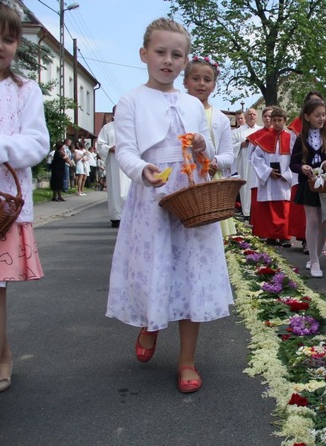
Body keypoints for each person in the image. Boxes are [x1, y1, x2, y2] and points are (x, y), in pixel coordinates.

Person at [105, 17, 233, 394]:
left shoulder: (193, 103)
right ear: (144, 54)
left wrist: (201, 147)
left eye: (177, 54)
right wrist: (143, 170)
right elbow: (126, 151)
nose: (168, 60)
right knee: (158, 266)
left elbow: (206, 152)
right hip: (154, 195)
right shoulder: (130, 101)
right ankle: (151, 323)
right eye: (160, 52)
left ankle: (187, 360)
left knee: (192, 274)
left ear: (185, 59)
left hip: (192, 194)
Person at [0, 0, 50, 436]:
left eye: (8, 38)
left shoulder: (26, 91)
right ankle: (0, 354)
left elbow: (37, 142)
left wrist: (0, 147)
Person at [183, 54, 236, 237]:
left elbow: (228, 155)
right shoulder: (177, 112)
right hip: (183, 180)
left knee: (211, 235)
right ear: (185, 82)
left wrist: (213, 162)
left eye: (207, 80)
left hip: (211, 180)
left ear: (213, 85)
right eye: (195, 79)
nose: (201, 84)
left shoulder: (220, 119)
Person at [290, 98, 326, 278]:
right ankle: (314, 260)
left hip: (325, 185)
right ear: (307, 117)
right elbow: (293, 163)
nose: (322, 118)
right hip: (308, 185)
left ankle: (318, 254)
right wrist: (302, 168)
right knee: (313, 220)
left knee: (324, 220)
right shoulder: (301, 138)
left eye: (324, 114)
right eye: (317, 115)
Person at [249, 107, 293, 245]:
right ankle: (271, 236)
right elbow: (256, 158)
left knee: (285, 208)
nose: (277, 123)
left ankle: (285, 236)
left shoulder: (292, 138)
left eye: (280, 120)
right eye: (274, 120)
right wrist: (267, 171)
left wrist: (287, 174)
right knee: (269, 208)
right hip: (269, 178)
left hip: (284, 179)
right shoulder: (264, 139)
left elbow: (296, 158)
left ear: (285, 121)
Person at [97, 106, 131, 228]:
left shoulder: (130, 127)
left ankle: (128, 216)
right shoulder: (107, 128)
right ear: (114, 114)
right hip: (114, 162)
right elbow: (100, 144)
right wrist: (109, 148)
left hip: (128, 162)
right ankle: (116, 217)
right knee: (115, 189)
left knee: (128, 188)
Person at [231, 108, 260, 219]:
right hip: (244, 163)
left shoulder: (261, 130)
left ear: (257, 117)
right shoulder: (238, 132)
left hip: (258, 164)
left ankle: (257, 212)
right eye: (249, 114)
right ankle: (246, 211)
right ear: (246, 117)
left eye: (254, 114)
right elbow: (230, 147)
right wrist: (241, 144)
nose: (252, 116)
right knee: (246, 186)